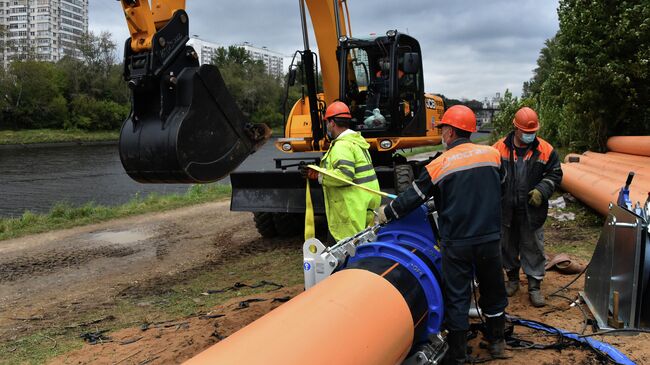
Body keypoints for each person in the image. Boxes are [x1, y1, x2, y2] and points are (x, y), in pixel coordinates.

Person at [378, 105, 508, 364]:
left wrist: (387, 213)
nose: (442, 135)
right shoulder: (492, 155)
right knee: (493, 289)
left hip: (457, 243)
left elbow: (412, 198)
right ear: (470, 131)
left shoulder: (439, 164)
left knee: (458, 296)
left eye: (443, 130)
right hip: (489, 239)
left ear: (450, 131)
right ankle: (498, 343)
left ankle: (459, 355)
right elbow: (500, 189)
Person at [493, 107, 563, 307]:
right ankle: (513, 279)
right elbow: (490, 175)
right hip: (506, 208)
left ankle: (534, 286)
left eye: (533, 132)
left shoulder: (546, 150)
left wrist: (542, 190)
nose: (530, 135)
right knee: (507, 246)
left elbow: (555, 174)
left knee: (533, 246)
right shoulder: (499, 149)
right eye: (527, 132)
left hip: (532, 209)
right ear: (515, 128)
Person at [301, 101, 381, 244]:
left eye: (327, 122)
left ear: (332, 122)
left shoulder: (342, 146)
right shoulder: (357, 143)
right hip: (362, 204)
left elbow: (344, 175)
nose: (327, 126)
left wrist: (319, 175)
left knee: (346, 255)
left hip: (350, 210)